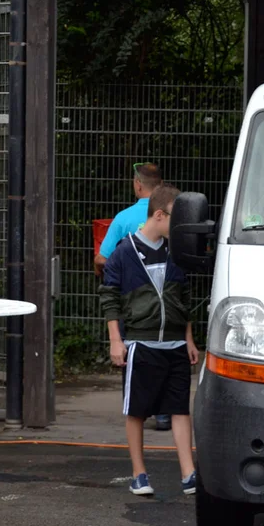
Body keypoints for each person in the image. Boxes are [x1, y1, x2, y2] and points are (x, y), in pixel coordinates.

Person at [98, 183, 199, 497]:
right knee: (137, 411)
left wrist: (189, 339)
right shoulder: (124, 252)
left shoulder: (175, 252)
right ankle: (139, 474)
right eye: (175, 219)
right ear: (159, 215)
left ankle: (189, 474)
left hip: (176, 345)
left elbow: (183, 297)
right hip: (141, 344)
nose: (180, 227)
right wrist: (116, 340)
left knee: (180, 408)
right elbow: (110, 297)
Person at [95, 162, 172, 431]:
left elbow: (102, 258)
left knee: (131, 353)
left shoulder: (123, 218)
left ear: (138, 184)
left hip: (131, 302)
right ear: (160, 186)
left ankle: (136, 408)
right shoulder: (172, 216)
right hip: (165, 300)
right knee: (165, 350)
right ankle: (164, 413)